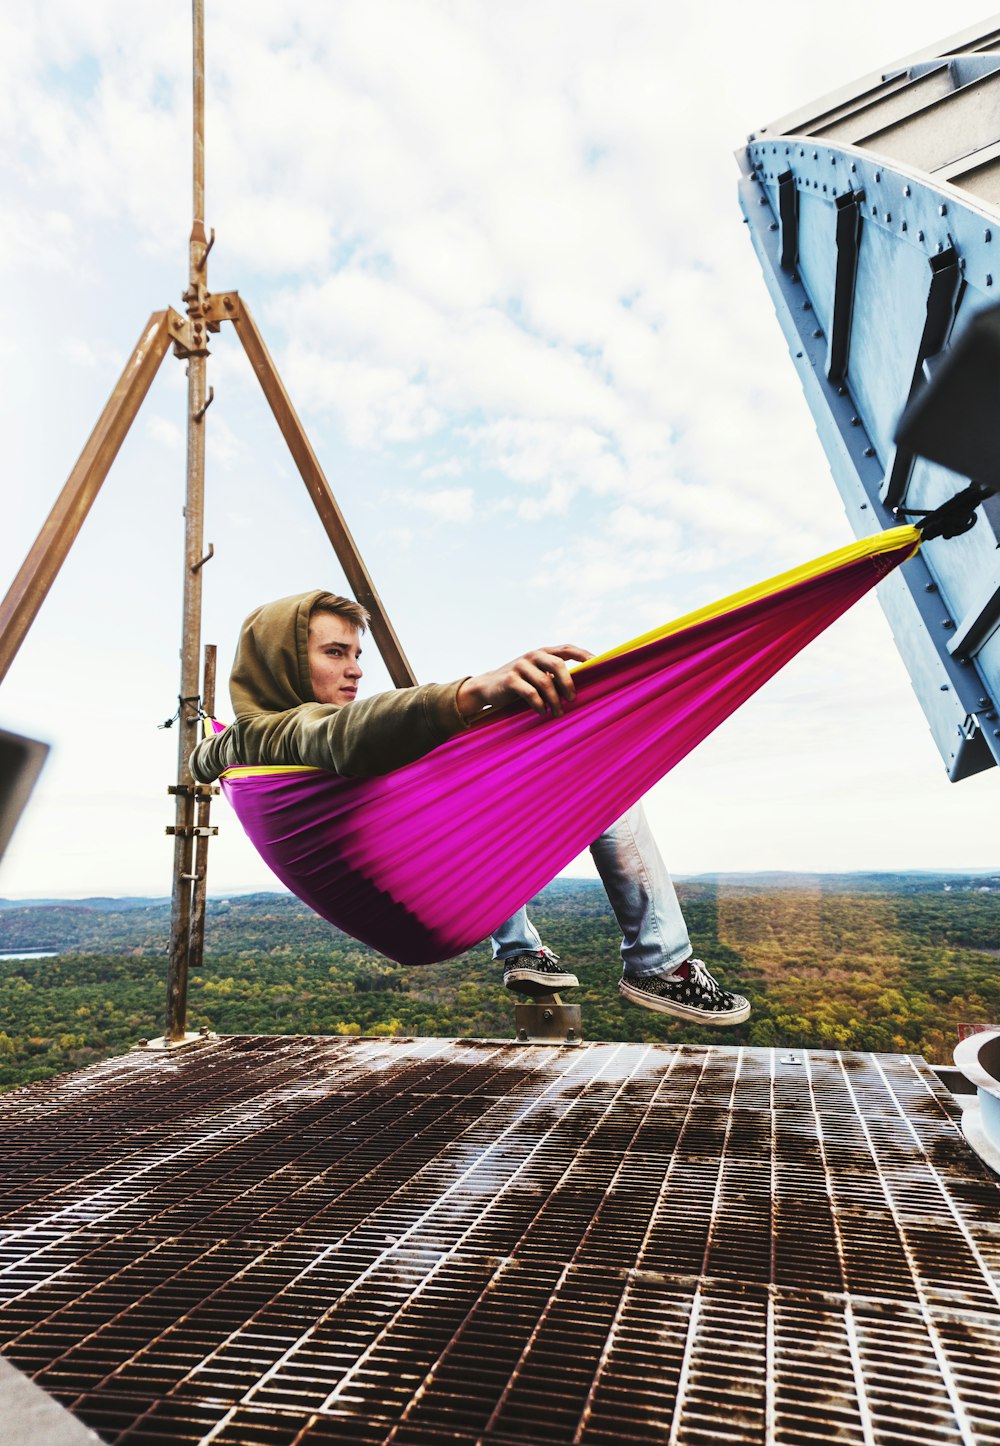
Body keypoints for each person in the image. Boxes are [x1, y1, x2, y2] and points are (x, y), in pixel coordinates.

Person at [191, 590, 750, 1026]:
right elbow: (351, 733)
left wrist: (207, 751)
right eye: (334, 653)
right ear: (282, 660)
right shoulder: (294, 730)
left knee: (472, 777)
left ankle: (519, 951)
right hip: (413, 898)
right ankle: (659, 964)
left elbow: (206, 755)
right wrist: (477, 689)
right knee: (606, 781)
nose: (357, 669)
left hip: (414, 886)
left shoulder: (237, 741)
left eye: (357, 653)